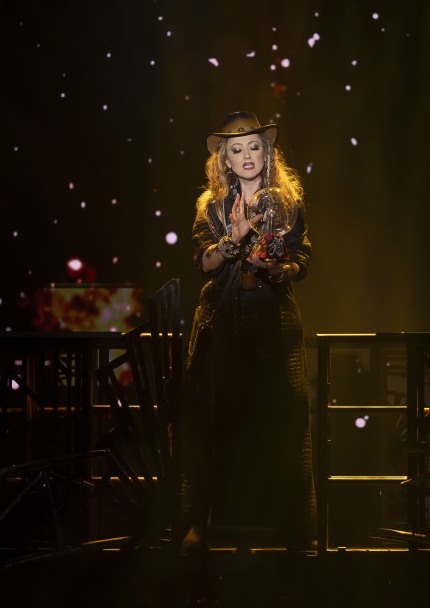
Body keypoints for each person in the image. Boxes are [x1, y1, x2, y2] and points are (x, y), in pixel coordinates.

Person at [179, 111, 317, 552]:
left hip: (273, 326)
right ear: (225, 159)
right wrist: (233, 240)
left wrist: (278, 268)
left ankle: (296, 527)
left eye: (253, 146)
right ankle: (197, 523)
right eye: (236, 150)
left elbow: (302, 259)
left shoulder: (287, 203)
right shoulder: (211, 206)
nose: (246, 155)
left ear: (267, 152)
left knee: (285, 425)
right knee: (209, 425)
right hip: (222, 324)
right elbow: (203, 263)